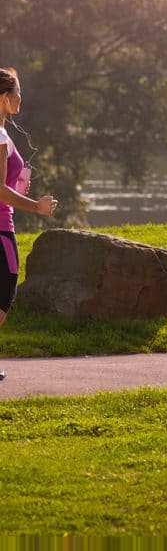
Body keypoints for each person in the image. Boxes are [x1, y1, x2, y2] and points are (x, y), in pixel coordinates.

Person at [0, 68, 58, 381]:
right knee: (5, 292)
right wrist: (35, 206)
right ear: (5, 98)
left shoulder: (3, 133)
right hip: (0, 227)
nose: (21, 97)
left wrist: (17, 184)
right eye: (17, 92)